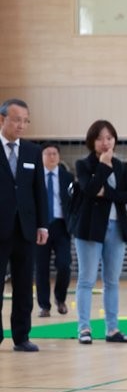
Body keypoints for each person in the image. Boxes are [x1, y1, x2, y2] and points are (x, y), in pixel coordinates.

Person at [74, 120, 127, 345]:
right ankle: (84, 329)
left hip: (116, 228)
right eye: (100, 138)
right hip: (89, 229)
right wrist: (102, 166)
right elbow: (89, 190)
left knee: (112, 281)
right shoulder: (84, 164)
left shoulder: (121, 166)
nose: (105, 142)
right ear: (92, 142)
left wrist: (106, 191)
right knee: (86, 280)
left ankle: (112, 329)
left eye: (109, 138)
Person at [0, 98, 48, 352]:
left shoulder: (32, 151)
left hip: (26, 229)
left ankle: (22, 336)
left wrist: (43, 224)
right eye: (16, 119)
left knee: (22, 286)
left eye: (25, 121)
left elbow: (40, 190)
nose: (21, 125)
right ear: (2, 119)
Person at [36, 143, 74, 318]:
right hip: (41, 225)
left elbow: (74, 201)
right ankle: (44, 305)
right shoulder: (35, 176)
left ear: (58, 157)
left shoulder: (67, 177)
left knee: (64, 264)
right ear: (42, 157)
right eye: (48, 154)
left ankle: (61, 299)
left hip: (61, 226)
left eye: (54, 154)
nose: (51, 157)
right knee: (41, 267)